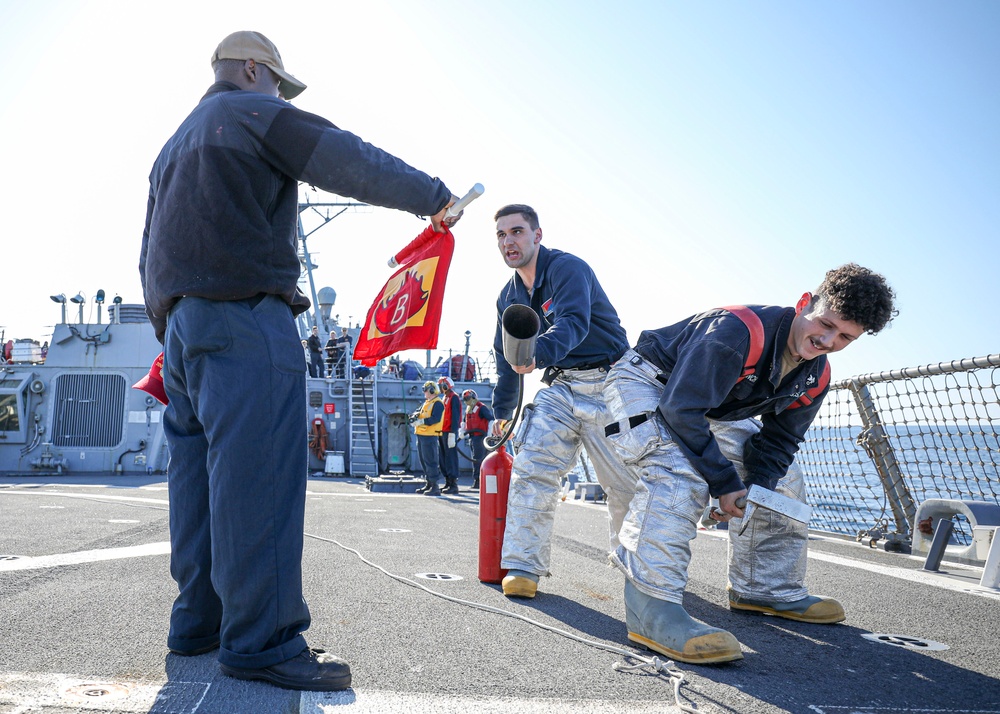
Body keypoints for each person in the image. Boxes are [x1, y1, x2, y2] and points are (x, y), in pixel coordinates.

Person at [138, 30, 458, 691]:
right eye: (278, 84)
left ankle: (196, 621)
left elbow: (147, 254)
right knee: (261, 482)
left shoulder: (170, 148)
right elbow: (343, 156)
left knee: (196, 485)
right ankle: (262, 642)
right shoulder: (249, 111)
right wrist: (433, 195)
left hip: (181, 332)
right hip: (246, 320)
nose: (280, 96)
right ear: (253, 69)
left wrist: (174, 326)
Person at [603, 264, 896, 664]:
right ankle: (652, 608)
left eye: (845, 337)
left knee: (783, 483)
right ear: (804, 304)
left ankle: (764, 587)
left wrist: (753, 491)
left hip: (709, 405)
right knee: (677, 471)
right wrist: (724, 483)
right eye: (825, 324)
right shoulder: (735, 333)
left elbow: (780, 442)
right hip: (647, 383)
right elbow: (681, 410)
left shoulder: (816, 377)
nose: (827, 340)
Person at [489, 203, 633, 599]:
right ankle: (522, 566)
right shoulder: (508, 296)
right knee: (532, 466)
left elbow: (573, 323)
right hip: (562, 386)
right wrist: (502, 414)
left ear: (537, 235)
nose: (508, 241)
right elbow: (504, 357)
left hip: (610, 381)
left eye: (516, 232)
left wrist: (537, 353)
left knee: (624, 483)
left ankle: (639, 569)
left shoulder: (569, 269)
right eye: (501, 235)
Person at [410, 380, 445, 496]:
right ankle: (429, 483)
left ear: (431, 390)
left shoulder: (438, 403)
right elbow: (418, 411)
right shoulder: (427, 402)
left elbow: (436, 419)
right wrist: (415, 416)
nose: (424, 392)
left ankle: (435, 487)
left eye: (425, 390)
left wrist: (421, 421)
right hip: (422, 435)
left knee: (431, 461)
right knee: (424, 461)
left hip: (430, 436)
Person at [461, 389, 493, 491]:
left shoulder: (481, 408)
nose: (467, 401)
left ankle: (479, 481)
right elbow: (464, 422)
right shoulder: (468, 409)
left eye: (468, 398)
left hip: (480, 437)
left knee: (478, 459)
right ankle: (477, 480)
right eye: (465, 399)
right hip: (472, 437)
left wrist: (488, 434)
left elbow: (491, 419)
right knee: (475, 459)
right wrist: (462, 432)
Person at [437, 375, 462, 494]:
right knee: (444, 457)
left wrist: (453, 432)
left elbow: (455, 416)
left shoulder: (454, 398)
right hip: (443, 431)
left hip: (449, 432)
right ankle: (447, 481)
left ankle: (453, 484)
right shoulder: (445, 398)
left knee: (451, 457)